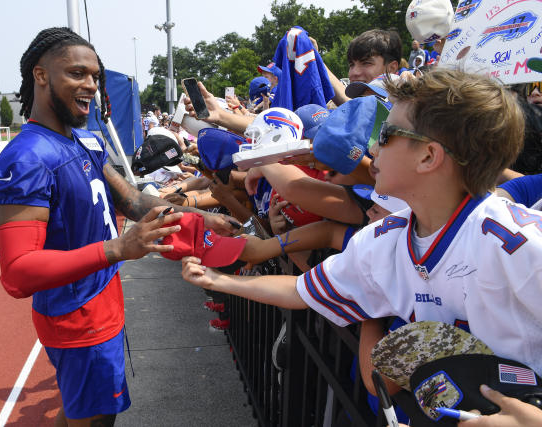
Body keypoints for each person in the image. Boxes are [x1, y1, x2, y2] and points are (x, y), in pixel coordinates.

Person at [182, 69, 542, 388]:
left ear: (429, 156)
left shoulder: (521, 245)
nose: (373, 149)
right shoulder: (385, 236)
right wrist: (219, 281)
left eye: (385, 135)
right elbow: (301, 289)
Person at [0, 27, 236, 427]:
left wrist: (203, 218)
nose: (91, 85)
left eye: (95, 76)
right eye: (77, 73)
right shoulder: (27, 157)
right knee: (96, 420)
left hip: (102, 300)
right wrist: (116, 249)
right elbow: (17, 273)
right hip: (76, 316)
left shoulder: (80, 139)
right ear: (41, 75)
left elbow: (132, 201)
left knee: (87, 412)